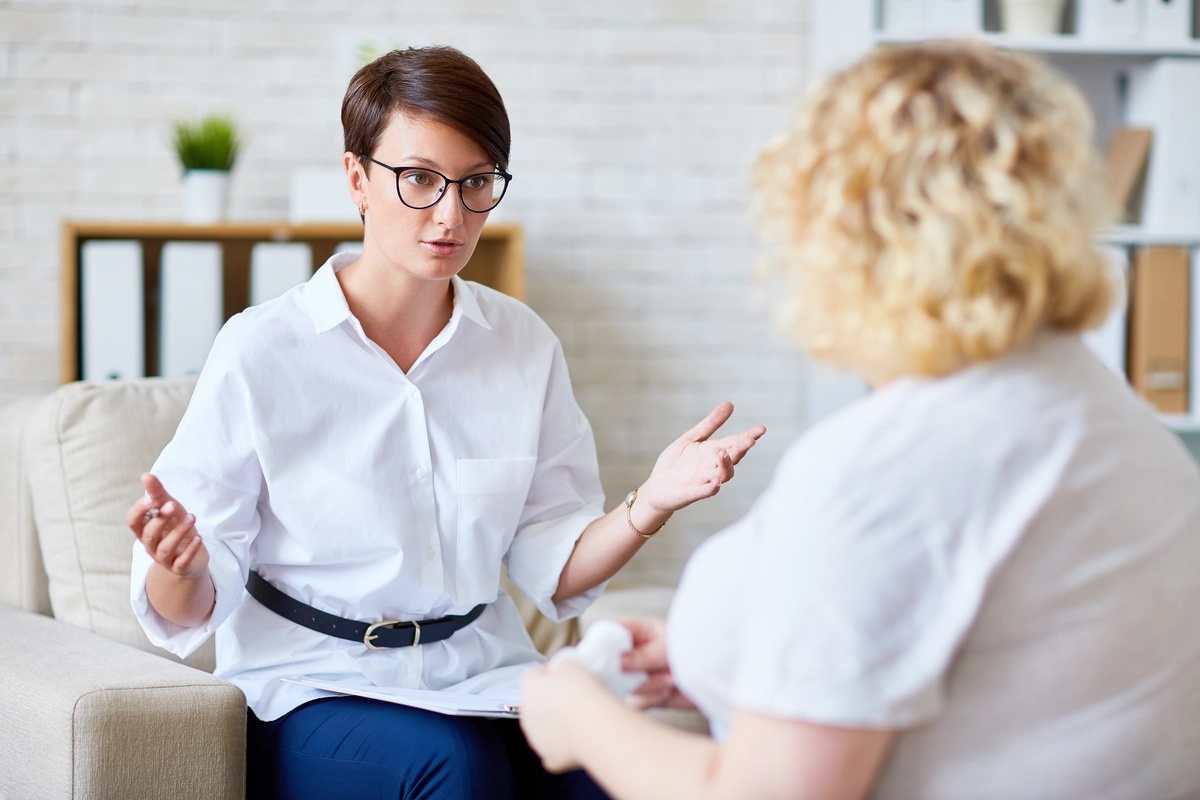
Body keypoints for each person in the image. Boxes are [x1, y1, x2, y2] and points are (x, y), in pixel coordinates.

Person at [519, 40, 1200, 800]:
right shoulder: (1114, 419)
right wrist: (728, 660)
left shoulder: (894, 463)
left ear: (840, 237)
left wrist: (577, 717)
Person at [126, 45, 765, 800]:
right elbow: (188, 606)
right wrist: (182, 567)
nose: (450, 214)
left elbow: (553, 564)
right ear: (358, 178)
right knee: (458, 769)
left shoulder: (523, 345)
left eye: (476, 184)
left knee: (606, 766)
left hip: (483, 677)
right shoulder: (261, 350)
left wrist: (650, 503)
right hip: (314, 687)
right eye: (421, 179)